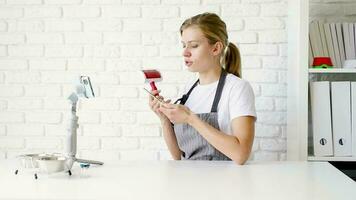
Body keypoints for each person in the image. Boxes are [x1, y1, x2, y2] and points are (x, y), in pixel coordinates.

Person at [148, 13, 256, 165]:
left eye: (193, 45)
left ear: (216, 48)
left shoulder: (237, 88)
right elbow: (179, 156)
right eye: (183, 45)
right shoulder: (189, 90)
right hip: (189, 181)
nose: (185, 52)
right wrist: (164, 119)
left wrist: (191, 119)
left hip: (225, 183)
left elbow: (241, 154)